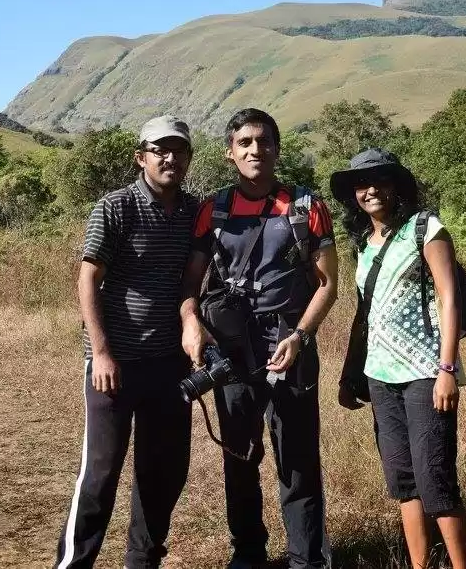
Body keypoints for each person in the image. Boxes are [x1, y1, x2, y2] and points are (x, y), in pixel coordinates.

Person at [179, 108, 339, 569]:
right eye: (245, 142)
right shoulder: (214, 209)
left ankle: (307, 559)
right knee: (240, 455)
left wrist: (301, 336)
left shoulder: (306, 207)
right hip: (231, 348)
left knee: (297, 458)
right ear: (229, 153)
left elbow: (328, 285)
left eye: (264, 141)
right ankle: (248, 553)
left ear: (276, 149)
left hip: (289, 342)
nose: (255, 150)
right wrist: (191, 320)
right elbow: (190, 282)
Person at [53, 116, 199, 569]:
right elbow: (88, 279)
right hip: (115, 365)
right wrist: (100, 353)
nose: (170, 158)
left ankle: (142, 561)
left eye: (179, 150)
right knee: (100, 473)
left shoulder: (195, 212)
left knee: (163, 472)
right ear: (141, 158)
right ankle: (73, 564)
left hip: (169, 365)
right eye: (160, 150)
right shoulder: (115, 207)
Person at [331, 148, 466, 569]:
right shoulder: (364, 243)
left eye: (380, 180)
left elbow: (450, 299)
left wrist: (447, 369)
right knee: (404, 483)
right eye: (361, 184)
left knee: (436, 481)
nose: (371, 190)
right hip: (380, 376)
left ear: (396, 186)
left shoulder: (425, 229)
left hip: (425, 372)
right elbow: (364, 315)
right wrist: (350, 375)